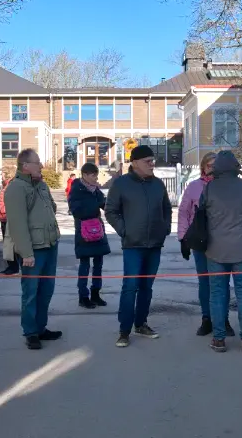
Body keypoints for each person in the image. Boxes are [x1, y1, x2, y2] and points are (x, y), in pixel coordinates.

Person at [105, 144, 172, 348]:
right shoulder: (121, 184)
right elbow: (110, 211)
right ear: (135, 163)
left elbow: (166, 209)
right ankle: (124, 330)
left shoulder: (158, 185)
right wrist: (125, 231)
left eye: (153, 161)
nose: (152, 164)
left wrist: (165, 228)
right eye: (148, 161)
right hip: (133, 245)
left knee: (146, 287)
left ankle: (141, 323)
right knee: (130, 286)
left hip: (154, 245)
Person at [6, 149, 62, 350]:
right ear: (25, 166)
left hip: (50, 244)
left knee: (46, 290)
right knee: (30, 292)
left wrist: (39, 187)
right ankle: (30, 332)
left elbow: (52, 209)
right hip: (34, 250)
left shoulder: (41, 185)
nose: (41, 166)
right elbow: (17, 224)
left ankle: (41, 328)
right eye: (37, 163)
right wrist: (26, 253)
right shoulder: (16, 188)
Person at [202, 151, 242, 352]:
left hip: (215, 249)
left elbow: (202, 213)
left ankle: (218, 339)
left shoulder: (209, 188)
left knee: (217, 293)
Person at [178, 152, 232, 336]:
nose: (212, 169)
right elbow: (183, 213)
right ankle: (207, 318)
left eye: (216, 165)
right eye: (209, 165)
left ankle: (223, 319)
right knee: (205, 282)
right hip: (200, 240)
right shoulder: (194, 187)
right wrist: (183, 238)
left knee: (222, 281)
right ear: (203, 167)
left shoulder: (226, 186)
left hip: (222, 240)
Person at [69, 162, 111, 308]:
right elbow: (76, 211)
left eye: (96, 175)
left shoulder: (95, 190)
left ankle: (95, 293)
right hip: (84, 231)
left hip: (97, 229)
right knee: (85, 264)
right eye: (93, 175)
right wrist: (94, 207)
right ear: (85, 175)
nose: (95, 178)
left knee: (98, 264)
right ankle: (83, 296)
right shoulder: (76, 189)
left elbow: (105, 204)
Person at [0, 166, 20, 275]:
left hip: (9, 218)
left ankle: (14, 267)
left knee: (10, 244)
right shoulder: (6, 184)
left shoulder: (12, 185)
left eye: (2, 173)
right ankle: (12, 266)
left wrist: (3, 210)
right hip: (5, 218)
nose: (1, 175)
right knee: (8, 244)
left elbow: (15, 202)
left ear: (8, 174)